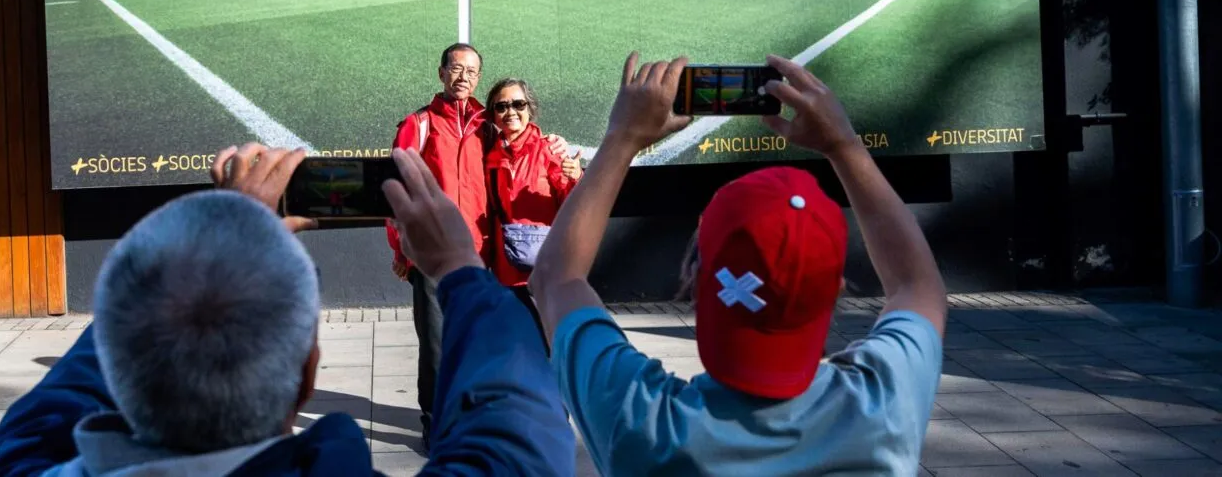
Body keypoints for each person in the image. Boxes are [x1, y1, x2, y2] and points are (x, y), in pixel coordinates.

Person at [0, 143, 575, 477]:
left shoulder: (15, 465)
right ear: (307, 377)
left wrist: (210, 241)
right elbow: (518, 428)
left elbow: (53, 410)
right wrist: (461, 268)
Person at [529, 54, 947, 476]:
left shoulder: (644, 425)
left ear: (694, 278)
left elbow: (555, 277)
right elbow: (917, 285)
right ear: (837, 288)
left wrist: (621, 138)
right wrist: (844, 145)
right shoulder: (882, 405)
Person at [387, 42, 569, 445]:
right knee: (437, 347)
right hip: (433, 255)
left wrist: (555, 146)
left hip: (484, 255)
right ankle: (437, 428)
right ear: (440, 73)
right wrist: (401, 249)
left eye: (471, 71)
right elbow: (394, 190)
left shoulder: (487, 124)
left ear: (478, 78)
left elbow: (525, 143)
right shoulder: (418, 124)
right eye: (456, 68)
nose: (463, 77)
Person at [482, 78, 582, 336]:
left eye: (518, 104)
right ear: (492, 114)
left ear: (530, 109)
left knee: (549, 342)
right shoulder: (491, 156)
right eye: (501, 106)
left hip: (543, 267)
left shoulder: (549, 149)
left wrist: (574, 177)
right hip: (505, 268)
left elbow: (574, 205)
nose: (510, 112)